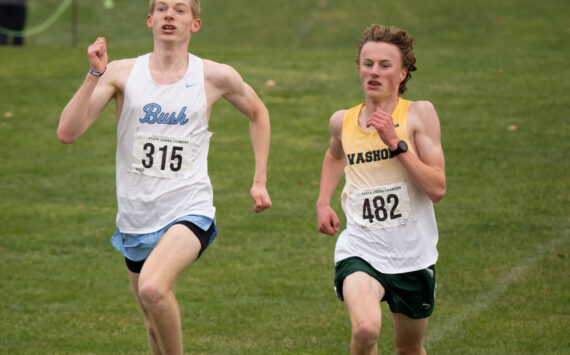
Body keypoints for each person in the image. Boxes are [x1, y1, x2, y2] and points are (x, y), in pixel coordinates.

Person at [57, 0, 272, 353]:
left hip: (189, 208)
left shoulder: (215, 76)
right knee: (153, 323)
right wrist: (94, 73)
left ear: (195, 24)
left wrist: (259, 179)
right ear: (150, 20)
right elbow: (68, 131)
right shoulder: (121, 73)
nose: (169, 14)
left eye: (180, 9)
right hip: (135, 217)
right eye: (161, 8)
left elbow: (258, 113)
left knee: (154, 289)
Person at [316, 24, 446, 355]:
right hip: (361, 248)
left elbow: (437, 188)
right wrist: (323, 202)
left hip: (412, 255)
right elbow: (335, 155)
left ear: (402, 73)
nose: (374, 72)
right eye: (368, 63)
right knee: (364, 329)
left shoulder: (419, 115)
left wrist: (396, 143)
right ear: (358, 67)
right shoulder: (341, 121)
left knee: (408, 348)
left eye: (385, 65)